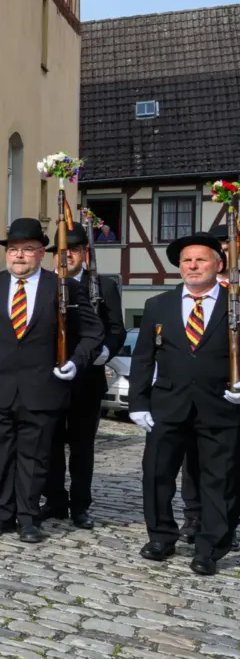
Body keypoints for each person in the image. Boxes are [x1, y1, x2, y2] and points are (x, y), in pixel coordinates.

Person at [0, 217, 104, 544]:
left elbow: (94, 332)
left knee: (34, 457)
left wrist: (75, 363)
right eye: (13, 250)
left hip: (43, 388)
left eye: (27, 249)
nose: (19, 256)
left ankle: (28, 517)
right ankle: (1, 514)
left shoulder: (64, 286)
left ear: (42, 253)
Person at [129, 229, 240, 575]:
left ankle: (209, 547)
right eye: (186, 261)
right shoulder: (156, 305)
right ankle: (161, 536)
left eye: (201, 260)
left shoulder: (234, 302)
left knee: (219, 481)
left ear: (218, 264)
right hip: (167, 406)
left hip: (220, 407)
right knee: (157, 474)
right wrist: (138, 403)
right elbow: (143, 358)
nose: (193, 266)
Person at [42, 227, 126, 529]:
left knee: (81, 446)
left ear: (84, 254)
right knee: (49, 443)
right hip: (51, 377)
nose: (68, 256)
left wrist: (104, 351)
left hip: (87, 378)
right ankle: (53, 500)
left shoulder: (102, 285)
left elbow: (116, 328)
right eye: (62, 251)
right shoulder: (44, 284)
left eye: (74, 251)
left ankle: (80, 505)